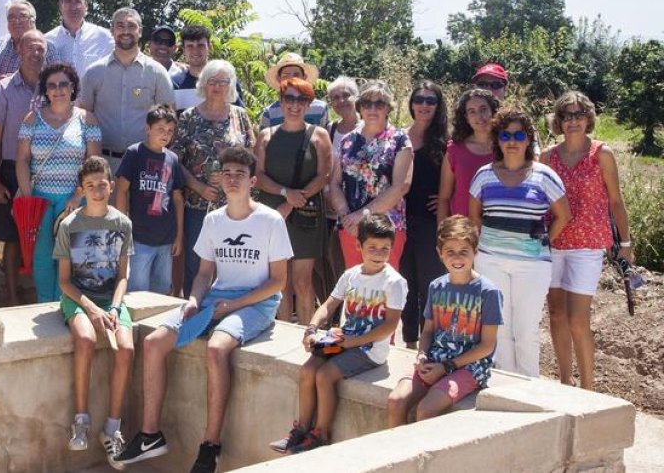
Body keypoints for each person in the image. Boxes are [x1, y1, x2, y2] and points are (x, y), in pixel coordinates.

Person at [114, 147, 291, 473]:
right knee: (153, 342)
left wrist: (234, 306)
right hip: (216, 298)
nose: (233, 179)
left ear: (252, 181)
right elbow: (205, 275)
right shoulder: (212, 220)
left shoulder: (270, 221)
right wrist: (194, 300)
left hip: (256, 302)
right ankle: (150, 435)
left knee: (216, 348)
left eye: (240, 174)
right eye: (227, 173)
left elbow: (278, 282)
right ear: (220, 178)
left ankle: (210, 447)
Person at [271, 214, 406, 454]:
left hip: (369, 349)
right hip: (344, 340)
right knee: (308, 370)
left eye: (384, 249)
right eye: (372, 247)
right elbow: (329, 305)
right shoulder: (351, 275)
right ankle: (301, 428)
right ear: (359, 246)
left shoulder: (394, 282)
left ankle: (321, 434)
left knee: (325, 376)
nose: (378, 253)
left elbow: (389, 326)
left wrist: (354, 342)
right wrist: (311, 329)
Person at [469, 107, 570, 377]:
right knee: (498, 329)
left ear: (528, 139)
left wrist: (544, 241)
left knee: (526, 331)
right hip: (491, 261)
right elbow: (474, 217)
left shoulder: (544, 175)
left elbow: (563, 215)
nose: (511, 141)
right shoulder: (483, 175)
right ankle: (503, 387)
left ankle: (529, 389)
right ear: (497, 140)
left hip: (533, 265)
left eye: (518, 135)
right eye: (505, 135)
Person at [544, 91, 631, 390]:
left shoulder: (602, 154)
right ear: (558, 121)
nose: (572, 121)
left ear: (589, 119)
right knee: (556, 314)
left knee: (578, 320)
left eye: (579, 115)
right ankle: (565, 382)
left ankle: (589, 389)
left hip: (587, 247)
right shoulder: (547, 156)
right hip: (553, 244)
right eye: (566, 116)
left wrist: (626, 245)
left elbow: (616, 202)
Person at [55, 157, 136, 465]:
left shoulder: (122, 223)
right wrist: (89, 308)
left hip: (110, 300)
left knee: (126, 348)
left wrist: (114, 307)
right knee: (86, 340)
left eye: (102, 185)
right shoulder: (69, 225)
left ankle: (112, 430)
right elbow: (64, 281)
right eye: (91, 186)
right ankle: (81, 419)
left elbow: (123, 276)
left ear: (111, 186)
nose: (98, 191)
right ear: (82, 189)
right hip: (78, 298)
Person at [387, 216, 502, 426]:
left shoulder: (488, 292)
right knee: (396, 401)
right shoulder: (436, 286)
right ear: (440, 254)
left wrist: (446, 367)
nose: (457, 258)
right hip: (435, 360)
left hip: (469, 367)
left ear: (475, 252)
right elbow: (429, 331)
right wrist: (422, 354)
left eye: (463, 251)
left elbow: (487, 345)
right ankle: (399, 456)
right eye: (450, 252)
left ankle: (424, 458)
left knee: (425, 410)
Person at [16, 63, 102, 302]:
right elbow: (22, 160)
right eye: (51, 85)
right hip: (39, 197)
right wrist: (28, 195)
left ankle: (63, 306)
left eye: (63, 84)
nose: (58, 90)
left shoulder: (88, 120)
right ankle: (45, 304)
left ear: (73, 87)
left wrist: (78, 195)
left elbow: (94, 165)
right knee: (42, 255)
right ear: (45, 90)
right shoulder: (32, 119)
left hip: (74, 199)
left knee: (68, 256)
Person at [174, 60, 255, 296]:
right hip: (198, 203)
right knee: (196, 262)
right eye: (212, 81)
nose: (217, 87)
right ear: (203, 84)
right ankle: (193, 315)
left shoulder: (240, 116)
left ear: (230, 86)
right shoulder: (188, 117)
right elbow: (175, 160)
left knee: (230, 262)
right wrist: (198, 186)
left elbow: (251, 156)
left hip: (234, 206)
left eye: (223, 82)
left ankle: (224, 314)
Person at [255, 78, 332, 326]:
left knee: (302, 280)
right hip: (272, 212)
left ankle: (306, 334)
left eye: (302, 100)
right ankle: (284, 330)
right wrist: (285, 194)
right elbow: (259, 176)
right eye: (289, 98)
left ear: (309, 104)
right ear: (281, 101)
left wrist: (296, 199)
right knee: (281, 281)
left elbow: (324, 175)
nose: (295, 105)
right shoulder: (265, 136)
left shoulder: (319, 135)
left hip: (305, 216)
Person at [0, 30, 49, 304]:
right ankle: (12, 299)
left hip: (46, 171)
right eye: (30, 48)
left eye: (40, 49)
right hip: (12, 171)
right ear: (19, 51)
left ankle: (42, 296)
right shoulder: (3, 89)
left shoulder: (54, 88)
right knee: (12, 239)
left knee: (44, 236)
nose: (35, 54)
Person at [329, 80, 413, 272]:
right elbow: (334, 184)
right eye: (367, 103)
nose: (372, 109)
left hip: (385, 230)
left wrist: (362, 215)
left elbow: (400, 186)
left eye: (379, 103)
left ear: (388, 108)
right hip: (351, 229)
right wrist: (346, 217)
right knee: (357, 289)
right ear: (359, 107)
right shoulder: (348, 140)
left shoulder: (399, 139)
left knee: (384, 291)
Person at [78, 7, 175, 166]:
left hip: (145, 162)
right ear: (112, 30)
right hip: (104, 164)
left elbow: (169, 120)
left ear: (140, 31)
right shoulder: (94, 73)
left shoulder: (157, 73)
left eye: (131, 26)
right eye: (120, 26)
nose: (125, 31)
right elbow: (83, 118)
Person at [114, 105, 186, 295]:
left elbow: (177, 198)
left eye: (170, 131)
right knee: (138, 292)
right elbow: (121, 191)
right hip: (139, 237)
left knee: (161, 292)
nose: (165, 135)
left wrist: (178, 235)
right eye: (160, 129)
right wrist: (123, 228)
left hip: (166, 239)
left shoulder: (173, 159)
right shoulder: (135, 153)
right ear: (148, 128)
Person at [400, 81, 448, 347]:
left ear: (438, 106)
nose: (424, 105)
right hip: (400, 219)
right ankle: (409, 340)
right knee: (406, 283)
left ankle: (429, 343)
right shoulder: (398, 137)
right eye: (419, 99)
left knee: (430, 283)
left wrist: (443, 199)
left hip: (431, 222)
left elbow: (455, 179)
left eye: (431, 101)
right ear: (411, 103)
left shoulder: (445, 142)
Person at [315, 76, 360, 301]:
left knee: (352, 265)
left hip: (357, 211)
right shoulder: (329, 130)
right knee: (328, 263)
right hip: (328, 211)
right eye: (335, 97)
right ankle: (332, 313)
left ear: (356, 97)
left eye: (346, 95)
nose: (341, 101)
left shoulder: (368, 126)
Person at [438, 89, 499, 223]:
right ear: (466, 117)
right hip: (462, 233)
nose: (479, 116)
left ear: (493, 111)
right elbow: (444, 198)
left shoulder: (506, 147)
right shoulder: (455, 150)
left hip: (498, 234)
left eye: (483, 109)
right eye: (472, 111)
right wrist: (441, 236)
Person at [43, 0, 113, 78]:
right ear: (60, 6)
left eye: (77, 1)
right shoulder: (47, 41)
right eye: (68, 1)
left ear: (86, 6)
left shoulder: (105, 38)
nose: (73, 7)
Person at [0, 0, 62, 83]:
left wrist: (17, 82)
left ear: (33, 20)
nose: (16, 21)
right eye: (11, 17)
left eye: (22, 16)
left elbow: (58, 80)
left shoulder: (47, 47)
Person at [171, 25, 242, 111]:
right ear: (183, 49)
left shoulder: (227, 80)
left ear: (210, 47)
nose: (195, 51)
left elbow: (239, 117)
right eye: (190, 46)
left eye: (200, 45)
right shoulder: (174, 84)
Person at [260, 53, 329, 128]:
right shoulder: (269, 113)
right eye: (286, 76)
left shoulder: (320, 108)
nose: (291, 79)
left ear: (304, 77)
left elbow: (326, 137)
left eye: (296, 75)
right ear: (279, 79)